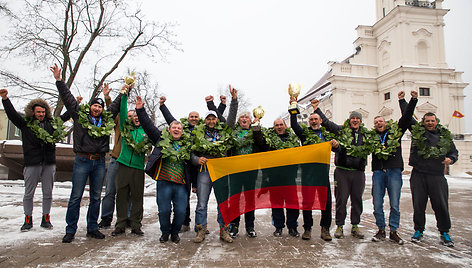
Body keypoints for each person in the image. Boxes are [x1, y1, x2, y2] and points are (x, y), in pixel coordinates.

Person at [51, 64, 122, 243]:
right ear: (90, 107)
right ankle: (70, 229)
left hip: (99, 162)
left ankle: (92, 227)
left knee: (96, 197)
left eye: (99, 106)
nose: (97, 109)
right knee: (76, 196)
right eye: (94, 106)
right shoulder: (79, 116)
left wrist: (125, 90)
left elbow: (114, 107)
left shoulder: (105, 120)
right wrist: (59, 80)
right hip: (82, 161)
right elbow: (68, 98)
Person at [0, 89, 72, 231]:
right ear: (33, 112)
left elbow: (65, 117)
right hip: (32, 162)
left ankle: (46, 218)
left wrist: (75, 104)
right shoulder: (25, 124)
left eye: (43, 112)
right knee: (29, 192)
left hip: (48, 163)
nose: (41, 114)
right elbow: (12, 115)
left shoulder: (51, 124)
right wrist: (5, 99)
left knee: (48, 192)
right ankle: (28, 219)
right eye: (38, 112)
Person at [158, 95, 226, 232]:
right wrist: (162, 107)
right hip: (187, 167)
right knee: (187, 197)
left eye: (196, 117)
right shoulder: (183, 130)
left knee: (216, 200)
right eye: (191, 117)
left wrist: (221, 105)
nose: (194, 119)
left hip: (203, 168)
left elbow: (217, 119)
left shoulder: (209, 130)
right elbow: (171, 121)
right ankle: (187, 222)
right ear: (188, 119)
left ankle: (222, 228)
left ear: (200, 120)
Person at [136, 96, 192, 243]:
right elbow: (148, 126)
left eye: (179, 128)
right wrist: (140, 110)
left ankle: (175, 233)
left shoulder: (188, 143)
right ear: (169, 129)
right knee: (164, 211)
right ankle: (165, 232)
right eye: (174, 127)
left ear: (182, 131)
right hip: (164, 182)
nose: (176, 129)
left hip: (181, 184)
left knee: (180, 211)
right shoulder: (161, 139)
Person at [313, 100, 370, 239]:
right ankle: (340, 226)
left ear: (361, 121)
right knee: (341, 199)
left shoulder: (367, 135)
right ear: (349, 121)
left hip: (358, 172)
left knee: (357, 200)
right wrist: (317, 109)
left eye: (357, 118)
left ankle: (355, 226)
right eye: (353, 118)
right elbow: (326, 123)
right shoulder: (341, 131)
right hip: (342, 171)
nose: (355, 120)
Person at [370, 91, 418, 245]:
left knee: (395, 203)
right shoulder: (371, 137)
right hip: (378, 172)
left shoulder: (395, 133)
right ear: (374, 125)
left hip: (394, 171)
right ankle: (381, 230)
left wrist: (410, 100)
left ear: (385, 123)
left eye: (381, 121)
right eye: (376, 122)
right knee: (377, 203)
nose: (378, 123)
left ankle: (394, 231)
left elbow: (406, 118)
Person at [191, 86, 238, 243]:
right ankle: (200, 230)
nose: (211, 121)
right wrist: (197, 160)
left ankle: (224, 231)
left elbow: (231, 118)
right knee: (202, 203)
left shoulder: (224, 130)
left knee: (223, 203)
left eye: (213, 118)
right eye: (208, 119)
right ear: (205, 121)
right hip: (204, 170)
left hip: (221, 170)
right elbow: (190, 153)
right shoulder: (198, 132)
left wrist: (234, 101)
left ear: (217, 120)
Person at [406, 110, 458, 247]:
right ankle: (418, 230)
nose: (430, 123)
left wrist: (450, 159)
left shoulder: (444, 136)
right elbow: (407, 115)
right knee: (418, 205)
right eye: (427, 121)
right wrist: (404, 100)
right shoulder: (418, 133)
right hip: (419, 174)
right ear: (423, 122)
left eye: (432, 121)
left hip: (436, 175)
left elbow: (454, 152)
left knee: (441, 205)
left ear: (436, 122)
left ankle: (444, 232)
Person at [290, 97, 339, 241]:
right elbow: (294, 125)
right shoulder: (305, 135)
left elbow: (338, 149)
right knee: (307, 203)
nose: (313, 121)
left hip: (323, 175)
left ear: (320, 121)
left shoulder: (327, 135)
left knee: (326, 203)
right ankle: (307, 229)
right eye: (311, 120)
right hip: (308, 175)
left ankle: (325, 229)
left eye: (315, 119)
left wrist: (336, 145)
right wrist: (293, 106)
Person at [110, 90, 150, 236]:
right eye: (133, 116)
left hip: (138, 167)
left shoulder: (146, 132)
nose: (136, 118)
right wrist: (125, 95)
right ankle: (120, 224)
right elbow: (122, 110)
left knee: (137, 197)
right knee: (121, 195)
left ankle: (135, 224)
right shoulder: (126, 127)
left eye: (138, 115)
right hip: (124, 165)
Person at [253, 118, 301, 237]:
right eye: (276, 125)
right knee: (276, 204)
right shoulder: (269, 141)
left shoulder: (293, 139)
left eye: (281, 125)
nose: (279, 127)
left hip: (290, 177)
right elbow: (260, 142)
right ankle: (278, 227)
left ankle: (292, 227)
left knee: (293, 203)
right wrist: (256, 127)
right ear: (273, 127)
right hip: (274, 178)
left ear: (285, 126)